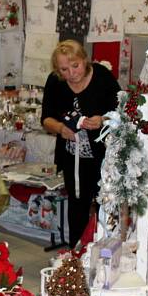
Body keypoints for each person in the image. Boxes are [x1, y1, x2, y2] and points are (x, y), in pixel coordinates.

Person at [41, 40, 120, 248]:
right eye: (64, 69)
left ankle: (107, 253)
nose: (71, 73)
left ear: (85, 60)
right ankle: (76, 255)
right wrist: (60, 129)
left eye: (75, 66)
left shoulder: (102, 76)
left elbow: (121, 110)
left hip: (103, 156)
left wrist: (103, 120)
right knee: (77, 207)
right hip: (72, 159)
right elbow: (46, 119)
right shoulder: (55, 82)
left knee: (107, 204)